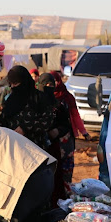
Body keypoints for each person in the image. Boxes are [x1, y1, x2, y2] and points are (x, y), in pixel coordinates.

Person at [36, 73, 73, 206]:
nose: (48, 87)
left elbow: (66, 124)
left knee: (54, 177)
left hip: (53, 147)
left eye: (51, 85)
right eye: (45, 84)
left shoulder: (58, 105)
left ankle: (54, 205)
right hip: (36, 147)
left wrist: (57, 131)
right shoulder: (34, 102)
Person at [0, 66, 54, 148]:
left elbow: (47, 120)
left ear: (24, 81)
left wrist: (25, 128)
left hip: (35, 147)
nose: (13, 86)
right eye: (11, 84)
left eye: (15, 83)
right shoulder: (10, 100)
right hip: (13, 147)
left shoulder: (39, 98)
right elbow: (2, 121)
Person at [51, 70, 90, 140]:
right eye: (50, 82)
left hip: (65, 134)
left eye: (55, 81)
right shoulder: (42, 97)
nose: (53, 84)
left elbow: (75, 115)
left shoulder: (68, 97)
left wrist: (83, 132)